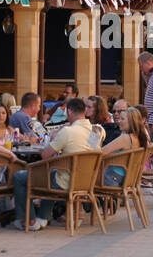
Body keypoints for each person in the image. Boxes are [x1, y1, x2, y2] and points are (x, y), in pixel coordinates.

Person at [11, 97, 95, 231]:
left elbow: (45, 155)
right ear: (84, 111)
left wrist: (55, 134)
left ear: (69, 112)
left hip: (66, 181)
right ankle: (43, 217)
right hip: (87, 181)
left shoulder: (68, 131)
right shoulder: (96, 130)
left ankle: (29, 220)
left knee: (19, 177)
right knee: (51, 173)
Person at [101, 106, 149, 187]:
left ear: (131, 121)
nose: (119, 121)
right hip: (128, 178)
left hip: (112, 178)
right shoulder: (139, 137)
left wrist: (98, 138)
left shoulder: (125, 138)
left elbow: (101, 152)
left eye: (122, 119)